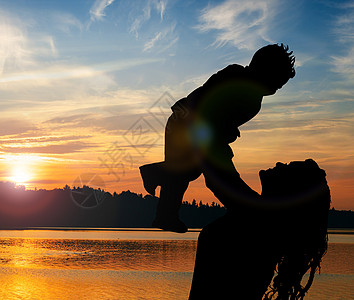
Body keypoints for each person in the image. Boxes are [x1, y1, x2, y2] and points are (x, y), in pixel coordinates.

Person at [140, 44, 296, 233]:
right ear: (262, 69)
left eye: (280, 85)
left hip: (201, 131)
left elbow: (226, 122)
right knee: (190, 171)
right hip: (185, 121)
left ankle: (164, 212)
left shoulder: (254, 102)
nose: (277, 87)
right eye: (276, 81)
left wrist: (226, 131)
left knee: (184, 172)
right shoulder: (235, 74)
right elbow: (208, 101)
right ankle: (160, 193)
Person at [188, 159, 331, 299]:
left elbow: (218, 175)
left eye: (287, 169)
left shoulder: (260, 217)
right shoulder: (263, 218)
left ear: (290, 190)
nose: (279, 164)